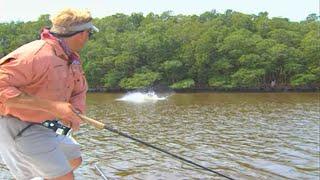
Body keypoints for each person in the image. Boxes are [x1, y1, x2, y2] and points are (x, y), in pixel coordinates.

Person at [0, 8, 98, 180]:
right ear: (82, 34)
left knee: (74, 159)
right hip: (19, 126)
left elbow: (78, 88)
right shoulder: (34, 55)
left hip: (48, 124)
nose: (88, 39)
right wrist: (53, 107)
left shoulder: (70, 57)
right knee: (64, 177)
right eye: (90, 34)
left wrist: (76, 111)